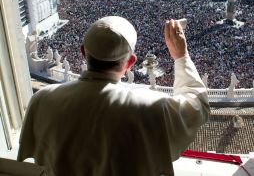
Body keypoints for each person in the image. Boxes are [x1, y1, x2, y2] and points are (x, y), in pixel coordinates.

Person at [18, 16, 210, 176]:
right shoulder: (153, 106)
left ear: (84, 52)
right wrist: (181, 56)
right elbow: (197, 105)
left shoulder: (42, 99)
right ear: (130, 63)